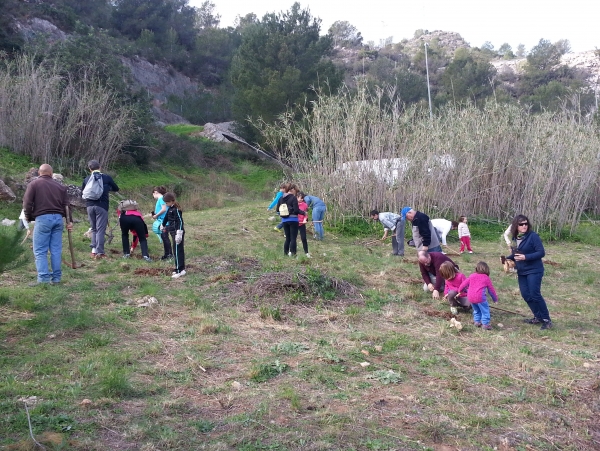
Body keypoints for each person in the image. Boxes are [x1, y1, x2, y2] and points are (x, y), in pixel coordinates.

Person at [22, 164, 73, 285]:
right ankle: (56, 279)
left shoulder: (34, 184)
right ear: (51, 173)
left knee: (40, 250)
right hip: (58, 219)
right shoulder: (60, 186)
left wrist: (28, 217)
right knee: (56, 250)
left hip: (43, 219)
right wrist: (69, 221)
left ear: (39, 173)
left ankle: (43, 279)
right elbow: (67, 205)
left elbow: (27, 202)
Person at [506, 215, 552, 330]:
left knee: (534, 294)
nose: (524, 226)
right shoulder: (515, 238)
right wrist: (508, 258)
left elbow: (541, 252)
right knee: (526, 294)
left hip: (534, 270)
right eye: (521, 224)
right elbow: (516, 254)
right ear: (516, 226)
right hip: (522, 271)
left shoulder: (533, 236)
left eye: (526, 224)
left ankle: (546, 320)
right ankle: (537, 317)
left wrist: (526, 257)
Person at [81, 160, 119, 259]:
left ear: (90, 169)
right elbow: (116, 188)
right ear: (100, 167)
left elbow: (83, 192)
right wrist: (107, 188)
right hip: (102, 206)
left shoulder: (87, 179)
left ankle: (93, 251)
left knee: (93, 228)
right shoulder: (106, 177)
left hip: (89, 206)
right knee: (101, 229)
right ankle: (100, 252)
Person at [458, 261, 498, 330]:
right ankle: (485, 324)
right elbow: (491, 290)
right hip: (480, 298)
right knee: (485, 310)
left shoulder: (472, 276)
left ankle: (477, 321)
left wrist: (460, 291)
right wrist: (495, 299)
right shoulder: (486, 278)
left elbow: (464, 284)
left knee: (476, 310)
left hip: (470, 297)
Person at [161, 192, 186, 278]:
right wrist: (163, 224)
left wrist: (179, 232)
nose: (166, 204)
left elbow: (180, 221)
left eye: (167, 202)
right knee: (176, 250)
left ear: (171, 201)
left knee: (177, 250)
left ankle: (179, 270)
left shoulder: (176, 209)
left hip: (177, 232)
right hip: (172, 231)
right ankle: (180, 269)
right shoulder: (170, 208)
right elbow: (166, 217)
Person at [276, 183, 301, 256]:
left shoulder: (281, 198)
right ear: (292, 190)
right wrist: (302, 212)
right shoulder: (293, 198)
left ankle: (285, 254)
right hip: (293, 220)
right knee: (293, 238)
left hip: (284, 220)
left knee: (287, 238)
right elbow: (296, 210)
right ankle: (293, 254)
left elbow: (277, 209)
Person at [151, 186, 169, 252]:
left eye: (153, 194)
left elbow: (164, 209)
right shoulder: (161, 199)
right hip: (162, 220)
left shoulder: (161, 198)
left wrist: (156, 215)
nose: (153, 196)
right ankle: (167, 254)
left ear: (155, 192)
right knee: (164, 237)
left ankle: (168, 254)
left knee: (165, 237)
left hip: (164, 221)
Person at [297, 191, 311, 258]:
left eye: (302, 198)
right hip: (295, 223)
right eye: (300, 198)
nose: (301, 199)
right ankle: (291, 252)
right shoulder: (294, 204)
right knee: (293, 238)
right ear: (297, 197)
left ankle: (306, 253)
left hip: (302, 224)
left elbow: (306, 214)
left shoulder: (305, 205)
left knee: (304, 238)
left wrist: (305, 219)